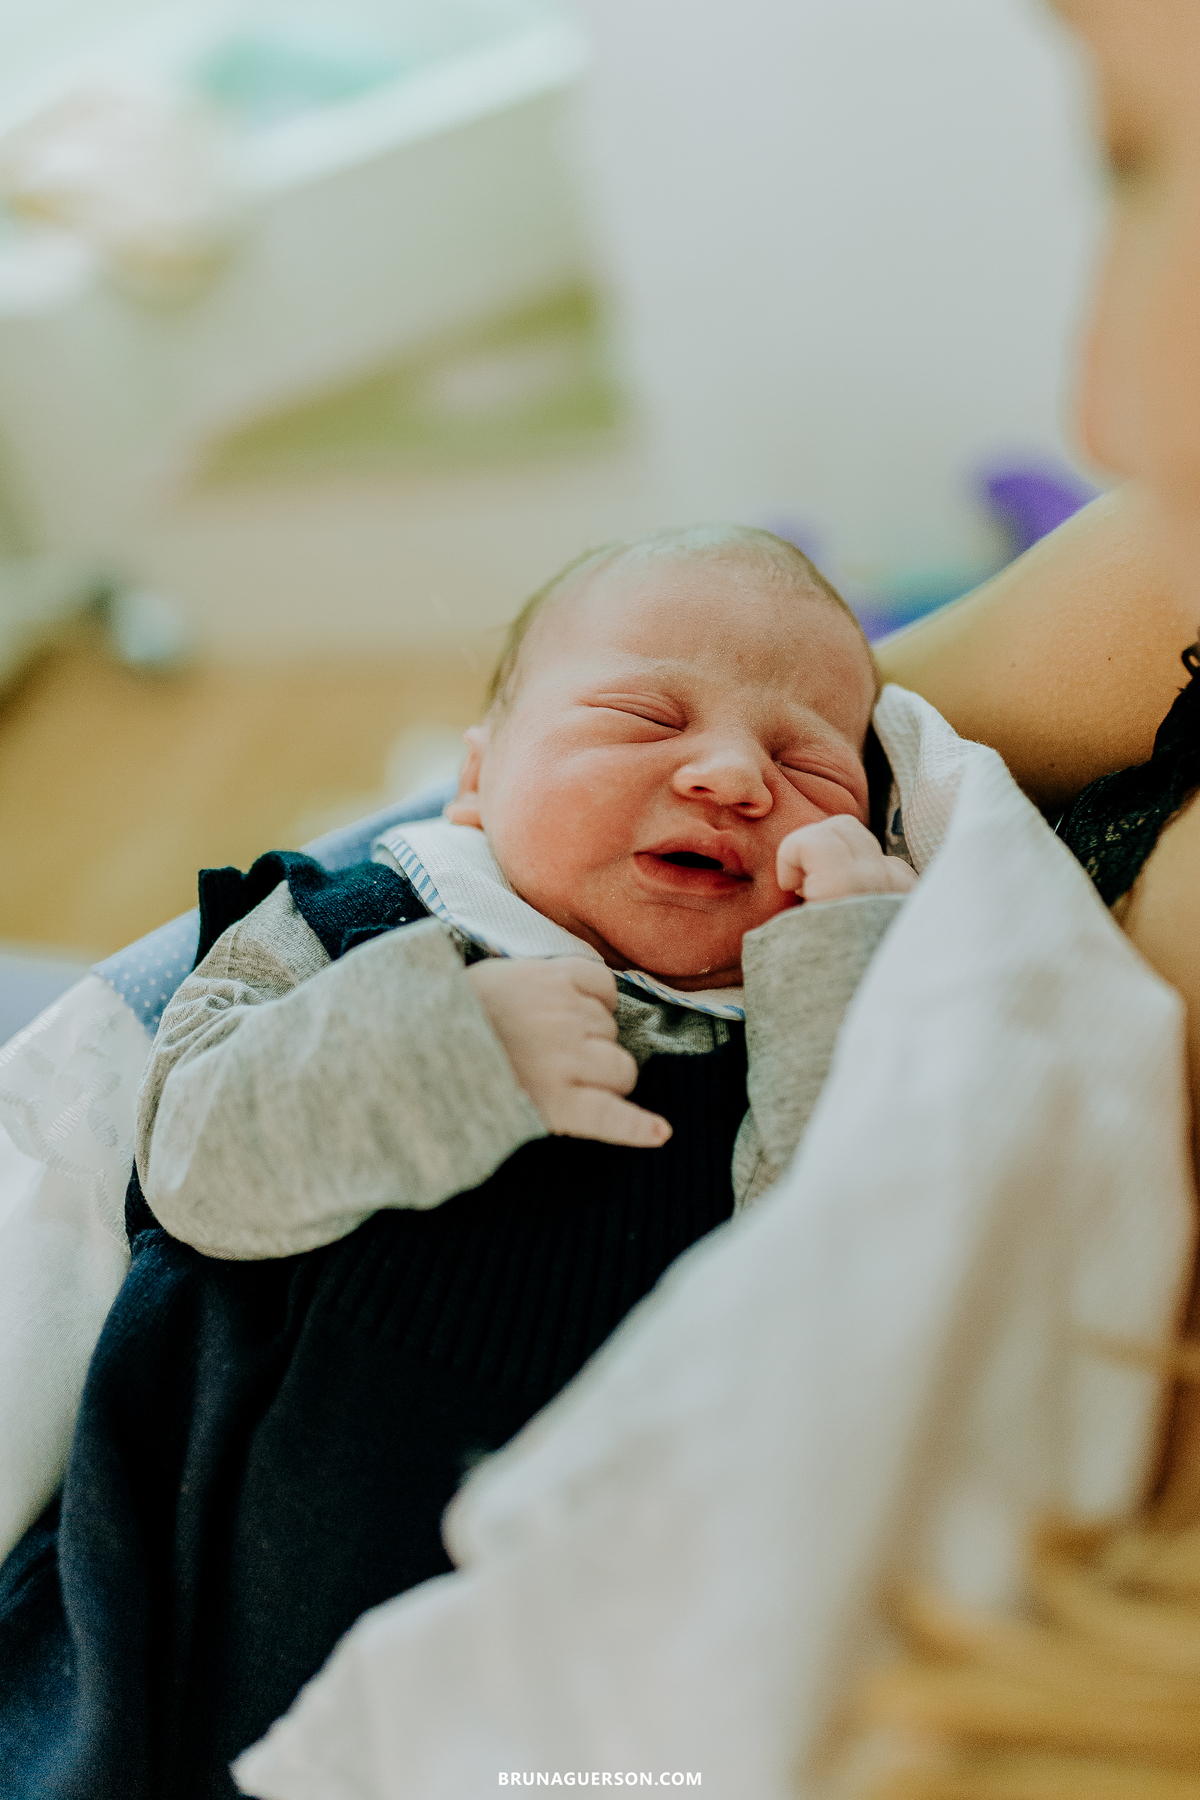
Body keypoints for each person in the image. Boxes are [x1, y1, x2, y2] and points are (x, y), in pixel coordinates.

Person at [0, 523, 916, 1800]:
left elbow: (848, 1252)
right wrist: (441, 1046)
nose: (731, 775)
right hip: (204, 1596)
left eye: (811, 764)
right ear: (475, 783)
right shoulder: (349, 926)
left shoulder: (791, 1020)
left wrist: (845, 959)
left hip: (574, 1647)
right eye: (648, 717)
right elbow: (189, 1168)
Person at [853, 1, 1200, 1788]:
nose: (1109, 403)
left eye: (1144, 162)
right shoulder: (1175, 593)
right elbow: (819, 698)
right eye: (1120, 161)